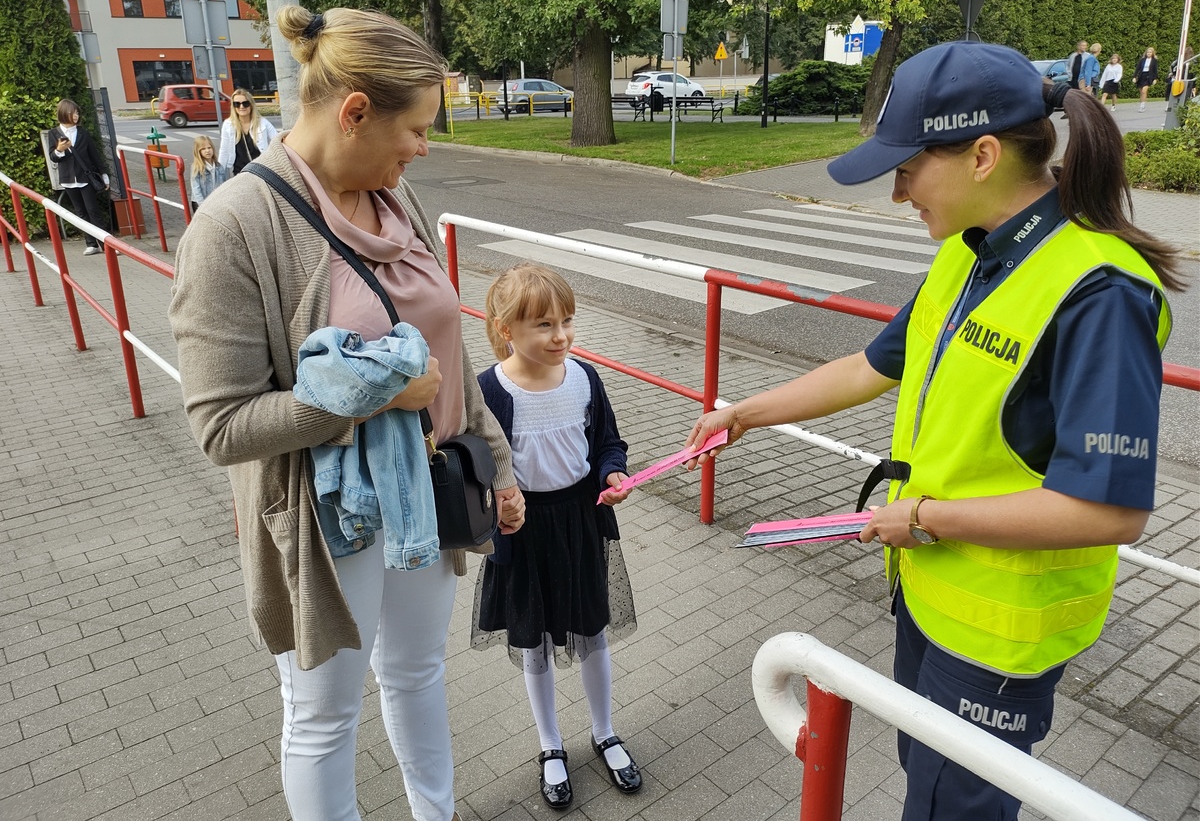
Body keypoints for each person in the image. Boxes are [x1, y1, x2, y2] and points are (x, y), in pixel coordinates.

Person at [684, 41, 1180, 821]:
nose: (897, 193)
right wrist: (743, 413)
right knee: (924, 777)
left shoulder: (1099, 292)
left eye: (907, 167)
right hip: (927, 597)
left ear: (982, 155)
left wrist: (921, 517)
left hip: (997, 641)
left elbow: (1109, 511)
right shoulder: (965, 255)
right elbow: (869, 366)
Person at [168, 5, 527, 821]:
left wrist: (497, 462)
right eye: (418, 128)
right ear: (355, 110)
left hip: (429, 495)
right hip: (325, 522)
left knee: (417, 674)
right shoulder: (234, 227)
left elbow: (449, 356)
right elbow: (221, 427)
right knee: (324, 716)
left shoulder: (398, 199)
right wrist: (373, 399)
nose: (425, 148)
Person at [470, 263, 640, 810]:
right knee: (534, 640)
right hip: (523, 532)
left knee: (593, 630)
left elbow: (609, 443)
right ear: (504, 329)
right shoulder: (489, 391)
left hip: (583, 522)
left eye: (567, 321)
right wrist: (498, 498)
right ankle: (550, 745)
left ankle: (604, 730)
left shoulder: (586, 378)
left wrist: (612, 473)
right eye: (543, 325)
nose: (560, 335)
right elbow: (476, 464)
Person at [48, 98, 111, 256]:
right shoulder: (54, 133)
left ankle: (106, 244)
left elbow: (94, 155)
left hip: (86, 178)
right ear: (63, 113)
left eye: (77, 113)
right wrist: (59, 150)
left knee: (93, 210)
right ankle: (91, 244)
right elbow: (53, 157)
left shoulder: (83, 133)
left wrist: (104, 175)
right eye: (71, 113)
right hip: (68, 179)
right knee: (80, 212)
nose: (75, 116)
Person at [218, 86, 278, 175]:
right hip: (239, 172)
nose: (241, 106)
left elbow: (277, 140)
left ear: (251, 104)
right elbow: (224, 150)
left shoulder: (262, 122)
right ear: (233, 106)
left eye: (245, 103)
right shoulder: (228, 125)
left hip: (261, 171)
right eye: (237, 104)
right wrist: (220, 173)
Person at [188, 134, 226, 211]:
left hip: (216, 201)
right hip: (201, 203)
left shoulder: (219, 166)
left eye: (209, 148)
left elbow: (224, 184)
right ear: (198, 151)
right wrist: (203, 205)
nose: (207, 151)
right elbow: (196, 189)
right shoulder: (197, 167)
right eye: (203, 149)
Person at [1135, 47, 1158, 111]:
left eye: (1150, 52)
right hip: (1141, 76)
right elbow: (1138, 68)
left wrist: (1155, 79)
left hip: (1148, 76)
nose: (1149, 53)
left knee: (1144, 91)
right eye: (1148, 52)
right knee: (1141, 92)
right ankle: (1142, 103)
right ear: (1146, 53)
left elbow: (1155, 70)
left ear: (1152, 53)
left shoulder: (1154, 61)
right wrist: (1134, 77)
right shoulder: (1142, 60)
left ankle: (1142, 106)